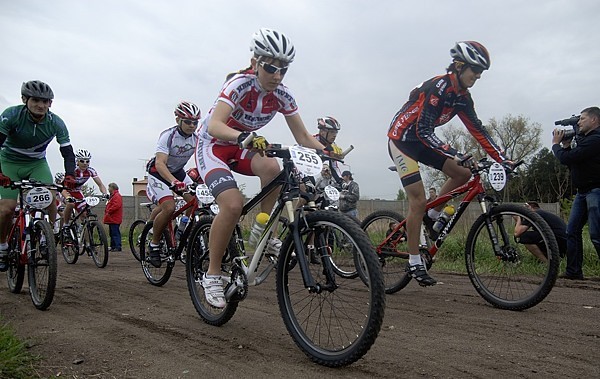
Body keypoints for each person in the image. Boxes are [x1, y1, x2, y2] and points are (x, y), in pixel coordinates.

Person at [195, 28, 326, 308]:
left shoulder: (283, 95)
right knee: (232, 205)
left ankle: (262, 231)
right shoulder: (239, 84)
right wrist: (241, 136)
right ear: (255, 62)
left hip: (245, 145)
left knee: (273, 167)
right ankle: (212, 273)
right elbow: (214, 124)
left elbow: (303, 137)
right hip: (213, 145)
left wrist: (327, 151)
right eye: (270, 67)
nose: (277, 75)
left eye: (283, 70)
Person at [387, 41, 512, 286]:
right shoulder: (438, 87)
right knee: (418, 200)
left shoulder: (462, 97)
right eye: (474, 70)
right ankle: (414, 262)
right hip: (402, 140)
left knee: (463, 173)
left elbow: (478, 130)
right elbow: (423, 130)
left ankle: (432, 215)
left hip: (422, 141)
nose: (477, 76)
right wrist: (454, 151)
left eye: (481, 73)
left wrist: (503, 158)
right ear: (458, 65)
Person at [0, 80, 77, 272]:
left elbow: (67, 152)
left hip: (36, 164)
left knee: (50, 198)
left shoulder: (56, 122)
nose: (41, 105)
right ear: (25, 99)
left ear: (50, 103)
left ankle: (46, 237)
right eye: (35, 100)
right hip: (9, 162)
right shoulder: (11, 115)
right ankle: (2, 246)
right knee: (7, 210)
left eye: (46, 101)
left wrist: (69, 175)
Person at [146, 101, 200, 267]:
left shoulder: (196, 139)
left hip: (178, 172)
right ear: (178, 120)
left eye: (195, 122)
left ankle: (181, 231)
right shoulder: (167, 136)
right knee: (169, 207)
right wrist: (174, 182)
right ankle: (154, 245)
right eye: (188, 122)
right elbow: (160, 163)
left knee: (196, 201)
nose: (192, 126)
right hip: (158, 173)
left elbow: (203, 160)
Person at [552, 106, 600, 280]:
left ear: (594, 120)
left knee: (597, 234)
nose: (579, 122)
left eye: (582, 119)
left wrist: (556, 145)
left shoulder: (595, 139)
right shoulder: (585, 140)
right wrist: (566, 146)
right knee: (572, 231)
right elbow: (573, 162)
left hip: (596, 191)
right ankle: (573, 271)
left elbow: (568, 158)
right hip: (582, 192)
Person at [61, 148, 109, 231]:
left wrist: (105, 193)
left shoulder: (91, 171)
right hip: (66, 191)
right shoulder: (72, 170)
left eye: (87, 161)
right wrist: (67, 197)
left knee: (84, 214)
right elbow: (63, 187)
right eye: (82, 161)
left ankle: (84, 237)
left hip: (77, 192)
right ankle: (65, 225)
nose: (85, 163)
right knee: (71, 204)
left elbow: (100, 184)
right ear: (77, 161)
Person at [314, 116, 345, 184]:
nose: (334, 135)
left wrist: (341, 181)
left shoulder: (332, 146)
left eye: (335, 132)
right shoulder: (312, 141)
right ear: (322, 131)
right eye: (332, 132)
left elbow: (334, 167)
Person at [104, 183, 123, 252]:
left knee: (115, 233)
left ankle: (117, 246)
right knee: (112, 233)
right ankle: (113, 246)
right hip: (112, 218)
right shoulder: (113, 196)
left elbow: (116, 205)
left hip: (114, 217)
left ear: (112, 188)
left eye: (109, 187)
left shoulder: (116, 196)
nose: (108, 189)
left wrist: (109, 211)